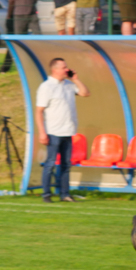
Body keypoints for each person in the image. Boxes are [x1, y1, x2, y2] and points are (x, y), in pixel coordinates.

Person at [36, 57, 90, 203]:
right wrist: (42, 132)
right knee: (50, 163)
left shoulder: (68, 85)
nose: (67, 69)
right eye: (63, 67)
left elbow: (85, 93)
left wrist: (76, 79)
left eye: (67, 67)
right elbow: (39, 111)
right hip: (53, 132)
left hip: (68, 131)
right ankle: (46, 194)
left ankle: (65, 194)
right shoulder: (46, 87)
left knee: (66, 164)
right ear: (55, 70)